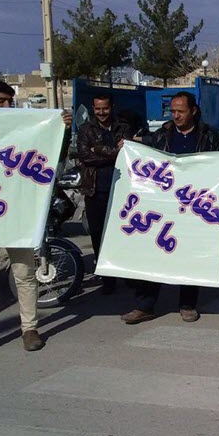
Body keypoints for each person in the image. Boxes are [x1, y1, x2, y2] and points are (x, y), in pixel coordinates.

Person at [0, 80, 72, 358]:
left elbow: (48, 154)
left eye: (9, 101)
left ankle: (29, 329)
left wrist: (62, 130)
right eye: (0, 101)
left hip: (18, 215)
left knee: (24, 274)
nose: (7, 106)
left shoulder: (21, 128)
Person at [121, 91, 219, 325]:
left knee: (189, 255)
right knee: (154, 253)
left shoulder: (208, 136)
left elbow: (217, 168)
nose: (176, 116)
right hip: (164, 205)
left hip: (192, 206)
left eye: (181, 111)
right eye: (173, 111)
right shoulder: (161, 135)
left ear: (193, 111)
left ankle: (187, 304)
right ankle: (145, 305)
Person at [76, 94, 133, 295]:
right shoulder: (85, 129)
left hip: (120, 190)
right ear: (93, 109)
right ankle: (107, 279)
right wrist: (112, 152)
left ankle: (127, 274)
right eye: (98, 109)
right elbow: (85, 156)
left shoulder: (123, 128)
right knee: (99, 235)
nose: (102, 112)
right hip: (95, 191)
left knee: (123, 234)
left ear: (112, 107)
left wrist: (98, 149)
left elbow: (127, 154)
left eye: (105, 108)